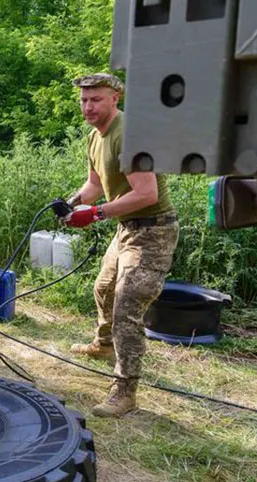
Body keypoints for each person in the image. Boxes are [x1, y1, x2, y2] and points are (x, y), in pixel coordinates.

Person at [63, 73, 179, 418]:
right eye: (84, 100)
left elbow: (147, 194)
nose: (88, 106)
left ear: (115, 98)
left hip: (152, 231)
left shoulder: (129, 134)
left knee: (127, 307)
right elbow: (94, 185)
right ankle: (103, 345)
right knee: (104, 288)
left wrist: (95, 214)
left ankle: (125, 390)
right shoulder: (95, 137)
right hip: (126, 229)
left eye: (96, 99)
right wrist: (71, 204)